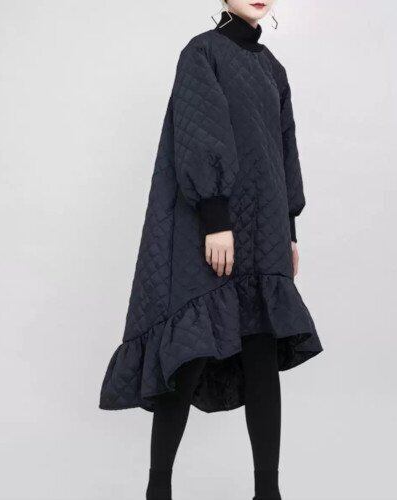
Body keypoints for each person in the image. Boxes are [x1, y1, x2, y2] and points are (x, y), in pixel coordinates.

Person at [99, 1, 323, 498]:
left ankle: (268, 492)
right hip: (211, 223)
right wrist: (216, 220)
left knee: (262, 353)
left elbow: (284, 150)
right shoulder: (201, 53)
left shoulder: (273, 68)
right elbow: (199, 136)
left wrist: (288, 231)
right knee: (190, 351)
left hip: (265, 228)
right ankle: (158, 489)